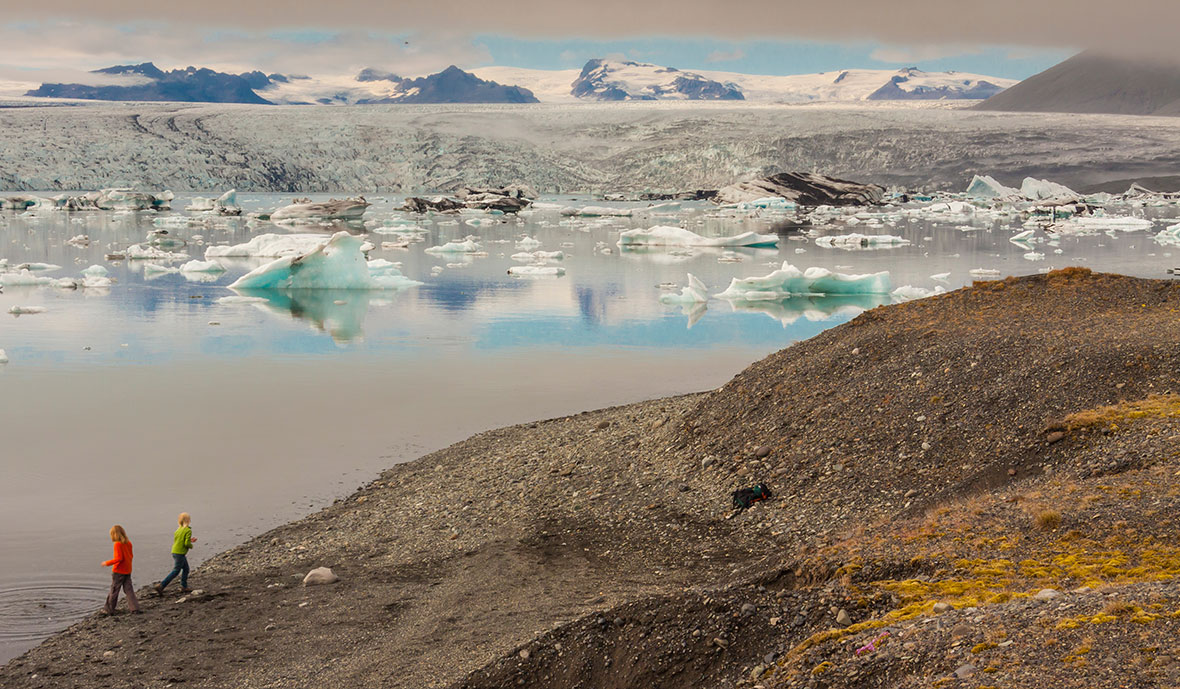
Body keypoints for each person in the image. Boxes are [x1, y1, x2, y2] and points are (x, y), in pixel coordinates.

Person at [101, 525, 140, 615]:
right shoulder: (128, 543)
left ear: (114, 535)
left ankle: (109, 609)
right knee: (129, 590)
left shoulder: (118, 544)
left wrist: (107, 563)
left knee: (114, 590)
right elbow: (130, 556)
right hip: (127, 570)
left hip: (119, 571)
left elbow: (118, 558)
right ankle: (135, 608)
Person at [155, 512, 197, 596]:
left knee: (186, 569)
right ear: (188, 521)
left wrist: (189, 540)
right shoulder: (188, 530)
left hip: (175, 551)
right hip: (180, 553)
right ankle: (161, 585)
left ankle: (184, 586)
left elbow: (179, 541)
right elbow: (185, 544)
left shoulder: (178, 530)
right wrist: (191, 545)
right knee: (176, 571)